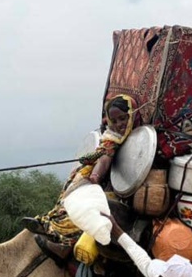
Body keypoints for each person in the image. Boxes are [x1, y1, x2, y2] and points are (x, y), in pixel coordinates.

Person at [24, 94, 137, 264]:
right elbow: (102, 156)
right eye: (115, 121)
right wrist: (92, 171)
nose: (120, 124)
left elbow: (106, 159)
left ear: (133, 115)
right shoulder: (111, 138)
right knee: (71, 193)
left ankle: (64, 247)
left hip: (124, 191)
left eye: (123, 118)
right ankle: (50, 225)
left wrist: (95, 176)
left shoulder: (139, 139)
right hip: (104, 181)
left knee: (89, 209)